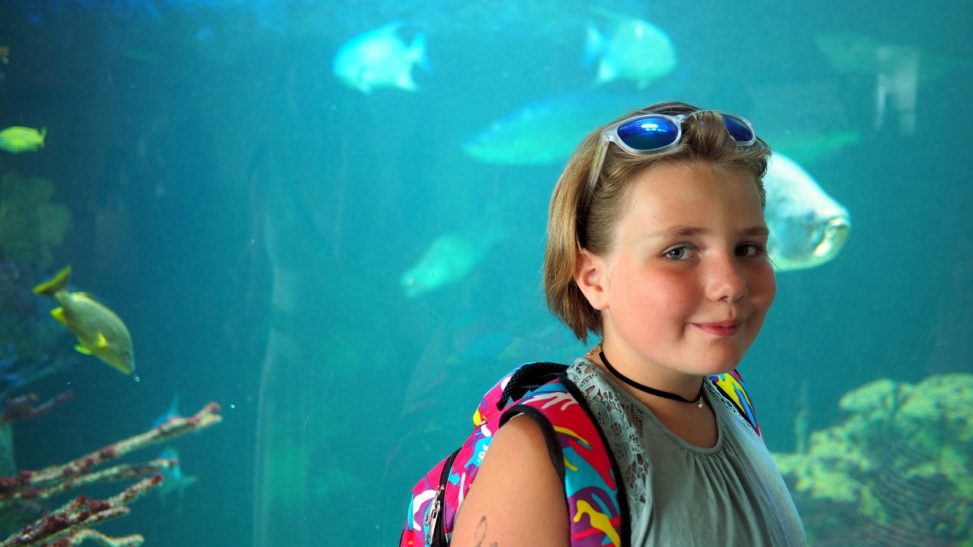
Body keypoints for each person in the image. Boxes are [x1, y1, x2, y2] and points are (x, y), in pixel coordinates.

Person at [450, 101, 806, 546]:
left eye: (747, 249)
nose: (730, 284)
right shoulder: (537, 454)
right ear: (593, 279)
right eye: (678, 251)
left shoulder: (728, 395)